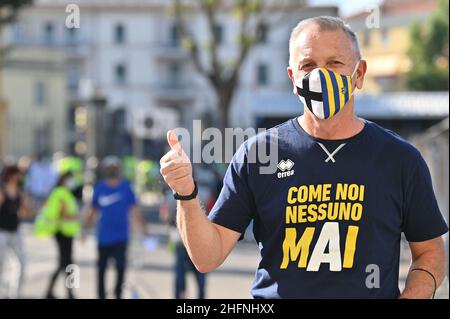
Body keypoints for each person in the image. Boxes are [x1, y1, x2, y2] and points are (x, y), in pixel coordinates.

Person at [160, 16, 449, 299]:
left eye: (335, 63)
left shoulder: (399, 158)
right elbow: (207, 257)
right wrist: (186, 193)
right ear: (293, 79)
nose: (320, 76)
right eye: (308, 65)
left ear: (359, 74)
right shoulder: (259, 154)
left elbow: (430, 252)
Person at [84, 156, 148, 299]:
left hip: (121, 236)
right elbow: (93, 211)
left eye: (114, 168)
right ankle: (101, 296)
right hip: (103, 237)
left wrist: (144, 228)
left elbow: (135, 209)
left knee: (120, 268)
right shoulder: (100, 187)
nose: (112, 171)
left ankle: (118, 294)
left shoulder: (125, 187)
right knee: (101, 270)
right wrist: (85, 229)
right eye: (109, 168)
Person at [160, 187, 206, 299]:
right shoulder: (204, 194)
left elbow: (166, 217)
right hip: (200, 240)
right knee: (200, 272)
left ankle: (179, 296)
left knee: (180, 273)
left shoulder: (171, 197)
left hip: (180, 239)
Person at [43, 172, 81, 299]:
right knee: (68, 263)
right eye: (70, 179)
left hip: (64, 232)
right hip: (63, 232)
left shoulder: (62, 192)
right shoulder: (62, 193)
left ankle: (51, 291)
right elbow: (64, 214)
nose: (72, 182)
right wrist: (77, 217)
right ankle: (70, 293)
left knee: (63, 263)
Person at [0, 165, 32, 298]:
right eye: (14, 174)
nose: (17, 177)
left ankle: (15, 293)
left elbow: (25, 212)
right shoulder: (2, 192)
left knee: (21, 262)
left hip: (16, 231)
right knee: (1, 264)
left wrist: (29, 208)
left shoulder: (20, 192)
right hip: (2, 232)